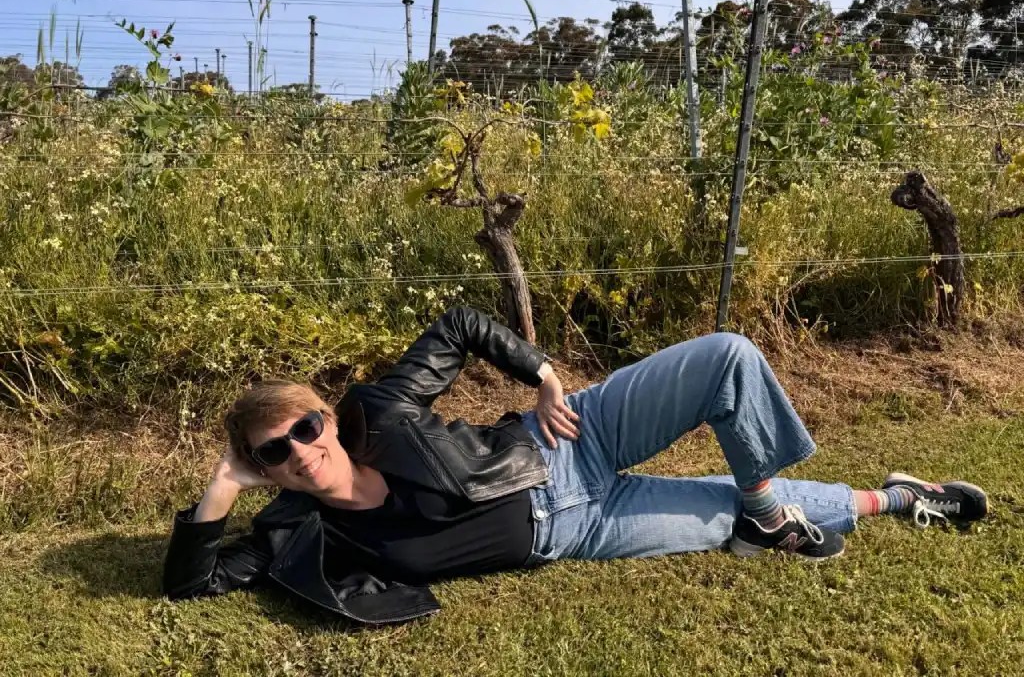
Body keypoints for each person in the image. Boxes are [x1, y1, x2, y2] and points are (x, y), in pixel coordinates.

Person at [162, 306, 988, 626]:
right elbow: (191, 582)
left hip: (565, 441)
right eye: (277, 452)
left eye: (307, 426)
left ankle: (772, 510)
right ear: (265, 469)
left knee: (726, 357)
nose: (305, 451)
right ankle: (893, 498)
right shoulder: (290, 528)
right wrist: (223, 486)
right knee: (718, 515)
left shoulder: (376, 412)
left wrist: (545, 372)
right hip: (579, 531)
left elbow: (456, 327)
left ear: (324, 414)